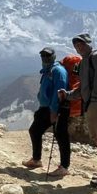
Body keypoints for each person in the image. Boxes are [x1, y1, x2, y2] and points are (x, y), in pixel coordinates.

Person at [58, 33, 97, 190]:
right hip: (92, 103)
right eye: (76, 45)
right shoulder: (84, 61)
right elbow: (83, 87)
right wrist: (68, 95)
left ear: (88, 43)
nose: (79, 47)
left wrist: (93, 99)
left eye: (81, 44)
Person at [23, 47, 70, 177]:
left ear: (54, 56)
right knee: (35, 130)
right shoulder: (48, 70)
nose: (45, 57)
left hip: (56, 108)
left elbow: (59, 92)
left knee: (61, 136)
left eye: (47, 55)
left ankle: (64, 167)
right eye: (43, 55)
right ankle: (36, 159)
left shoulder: (58, 71)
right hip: (46, 107)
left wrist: (54, 111)